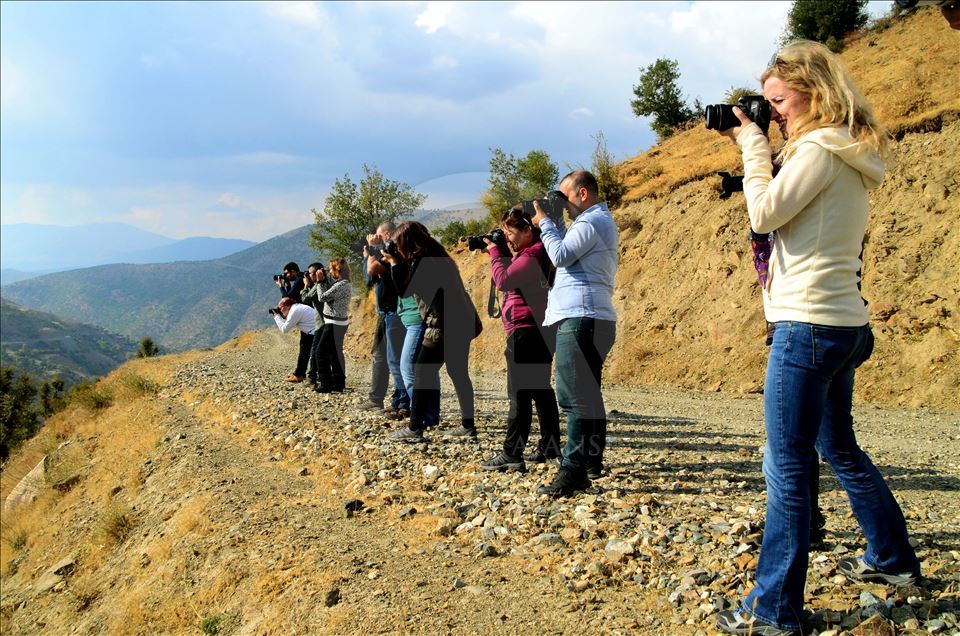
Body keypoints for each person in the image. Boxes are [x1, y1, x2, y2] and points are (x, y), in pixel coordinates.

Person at [712, 41, 921, 636]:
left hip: (807, 326)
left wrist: (753, 146)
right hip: (841, 323)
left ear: (815, 91)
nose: (773, 113)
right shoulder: (842, 150)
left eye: (780, 101)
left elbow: (764, 214)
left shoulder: (819, 148)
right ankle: (892, 558)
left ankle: (774, 610)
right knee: (839, 448)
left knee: (788, 469)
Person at [529, 170, 618, 497]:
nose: (563, 204)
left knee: (573, 397)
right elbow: (568, 249)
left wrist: (544, 223)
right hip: (594, 317)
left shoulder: (591, 221)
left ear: (583, 194)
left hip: (581, 317)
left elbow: (561, 255)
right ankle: (590, 462)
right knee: (589, 395)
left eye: (565, 197)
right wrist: (555, 222)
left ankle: (573, 471)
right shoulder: (595, 222)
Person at [480, 207, 561, 472]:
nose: (507, 238)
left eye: (510, 232)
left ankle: (512, 453)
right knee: (541, 391)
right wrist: (504, 251)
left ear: (527, 230)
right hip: (538, 330)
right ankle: (550, 447)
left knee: (520, 395)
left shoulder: (532, 254)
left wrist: (496, 252)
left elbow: (503, 281)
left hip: (526, 332)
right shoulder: (536, 251)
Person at [384, 221, 482, 442]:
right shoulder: (437, 255)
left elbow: (403, 290)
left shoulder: (423, 262)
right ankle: (468, 425)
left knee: (421, 373)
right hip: (461, 321)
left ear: (408, 243)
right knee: (458, 373)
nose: (396, 248)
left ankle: (414, 429)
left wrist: (395, 262)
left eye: (398, 245)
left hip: (444, 325)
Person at [360, 222, 409, 417]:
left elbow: (371, 271)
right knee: (382, 356)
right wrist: (370, 253)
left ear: (387, 234)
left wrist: (372, 250)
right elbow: (368, 279)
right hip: (386, 312)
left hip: (394, 312)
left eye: (378, 235)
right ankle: (382, 398)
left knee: (395, 359)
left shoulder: (393, 253)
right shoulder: (385, 252)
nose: (374, 238)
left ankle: (403, 402)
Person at [313, 258, 353, 393]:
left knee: (321, 352)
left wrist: (319, 282)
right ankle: (338, 383)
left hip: (334, 323)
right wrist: (324, 280)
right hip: (339, 322)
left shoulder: (341, 285)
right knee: (335, 353)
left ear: (337, 270)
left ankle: (325, 383)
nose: (329, 271)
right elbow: (331, 292)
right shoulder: (344, 283)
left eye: (331, 269)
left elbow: (322, 297)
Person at [270, 296, 317, 383]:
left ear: (286, 306)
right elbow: (287, 322)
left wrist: (276, 316)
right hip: (310, 331)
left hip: (314, 332)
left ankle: (310, 376)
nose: (280, 310)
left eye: (280, 308)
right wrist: (280, 315)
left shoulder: (295, 311)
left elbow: (284, 329)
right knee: (304, 353)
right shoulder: (296, 308)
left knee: (313, 355)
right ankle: (299, 374)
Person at [301, 262, 331, 386]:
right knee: (327, 351)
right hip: (329, 322)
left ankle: (312, 377)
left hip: (321, 323)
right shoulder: (328, 282)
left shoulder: (319, 284)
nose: (309, 276)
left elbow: (306, 298)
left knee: (315, 351)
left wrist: (306, 286)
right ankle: (327, 377)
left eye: (311, 273)